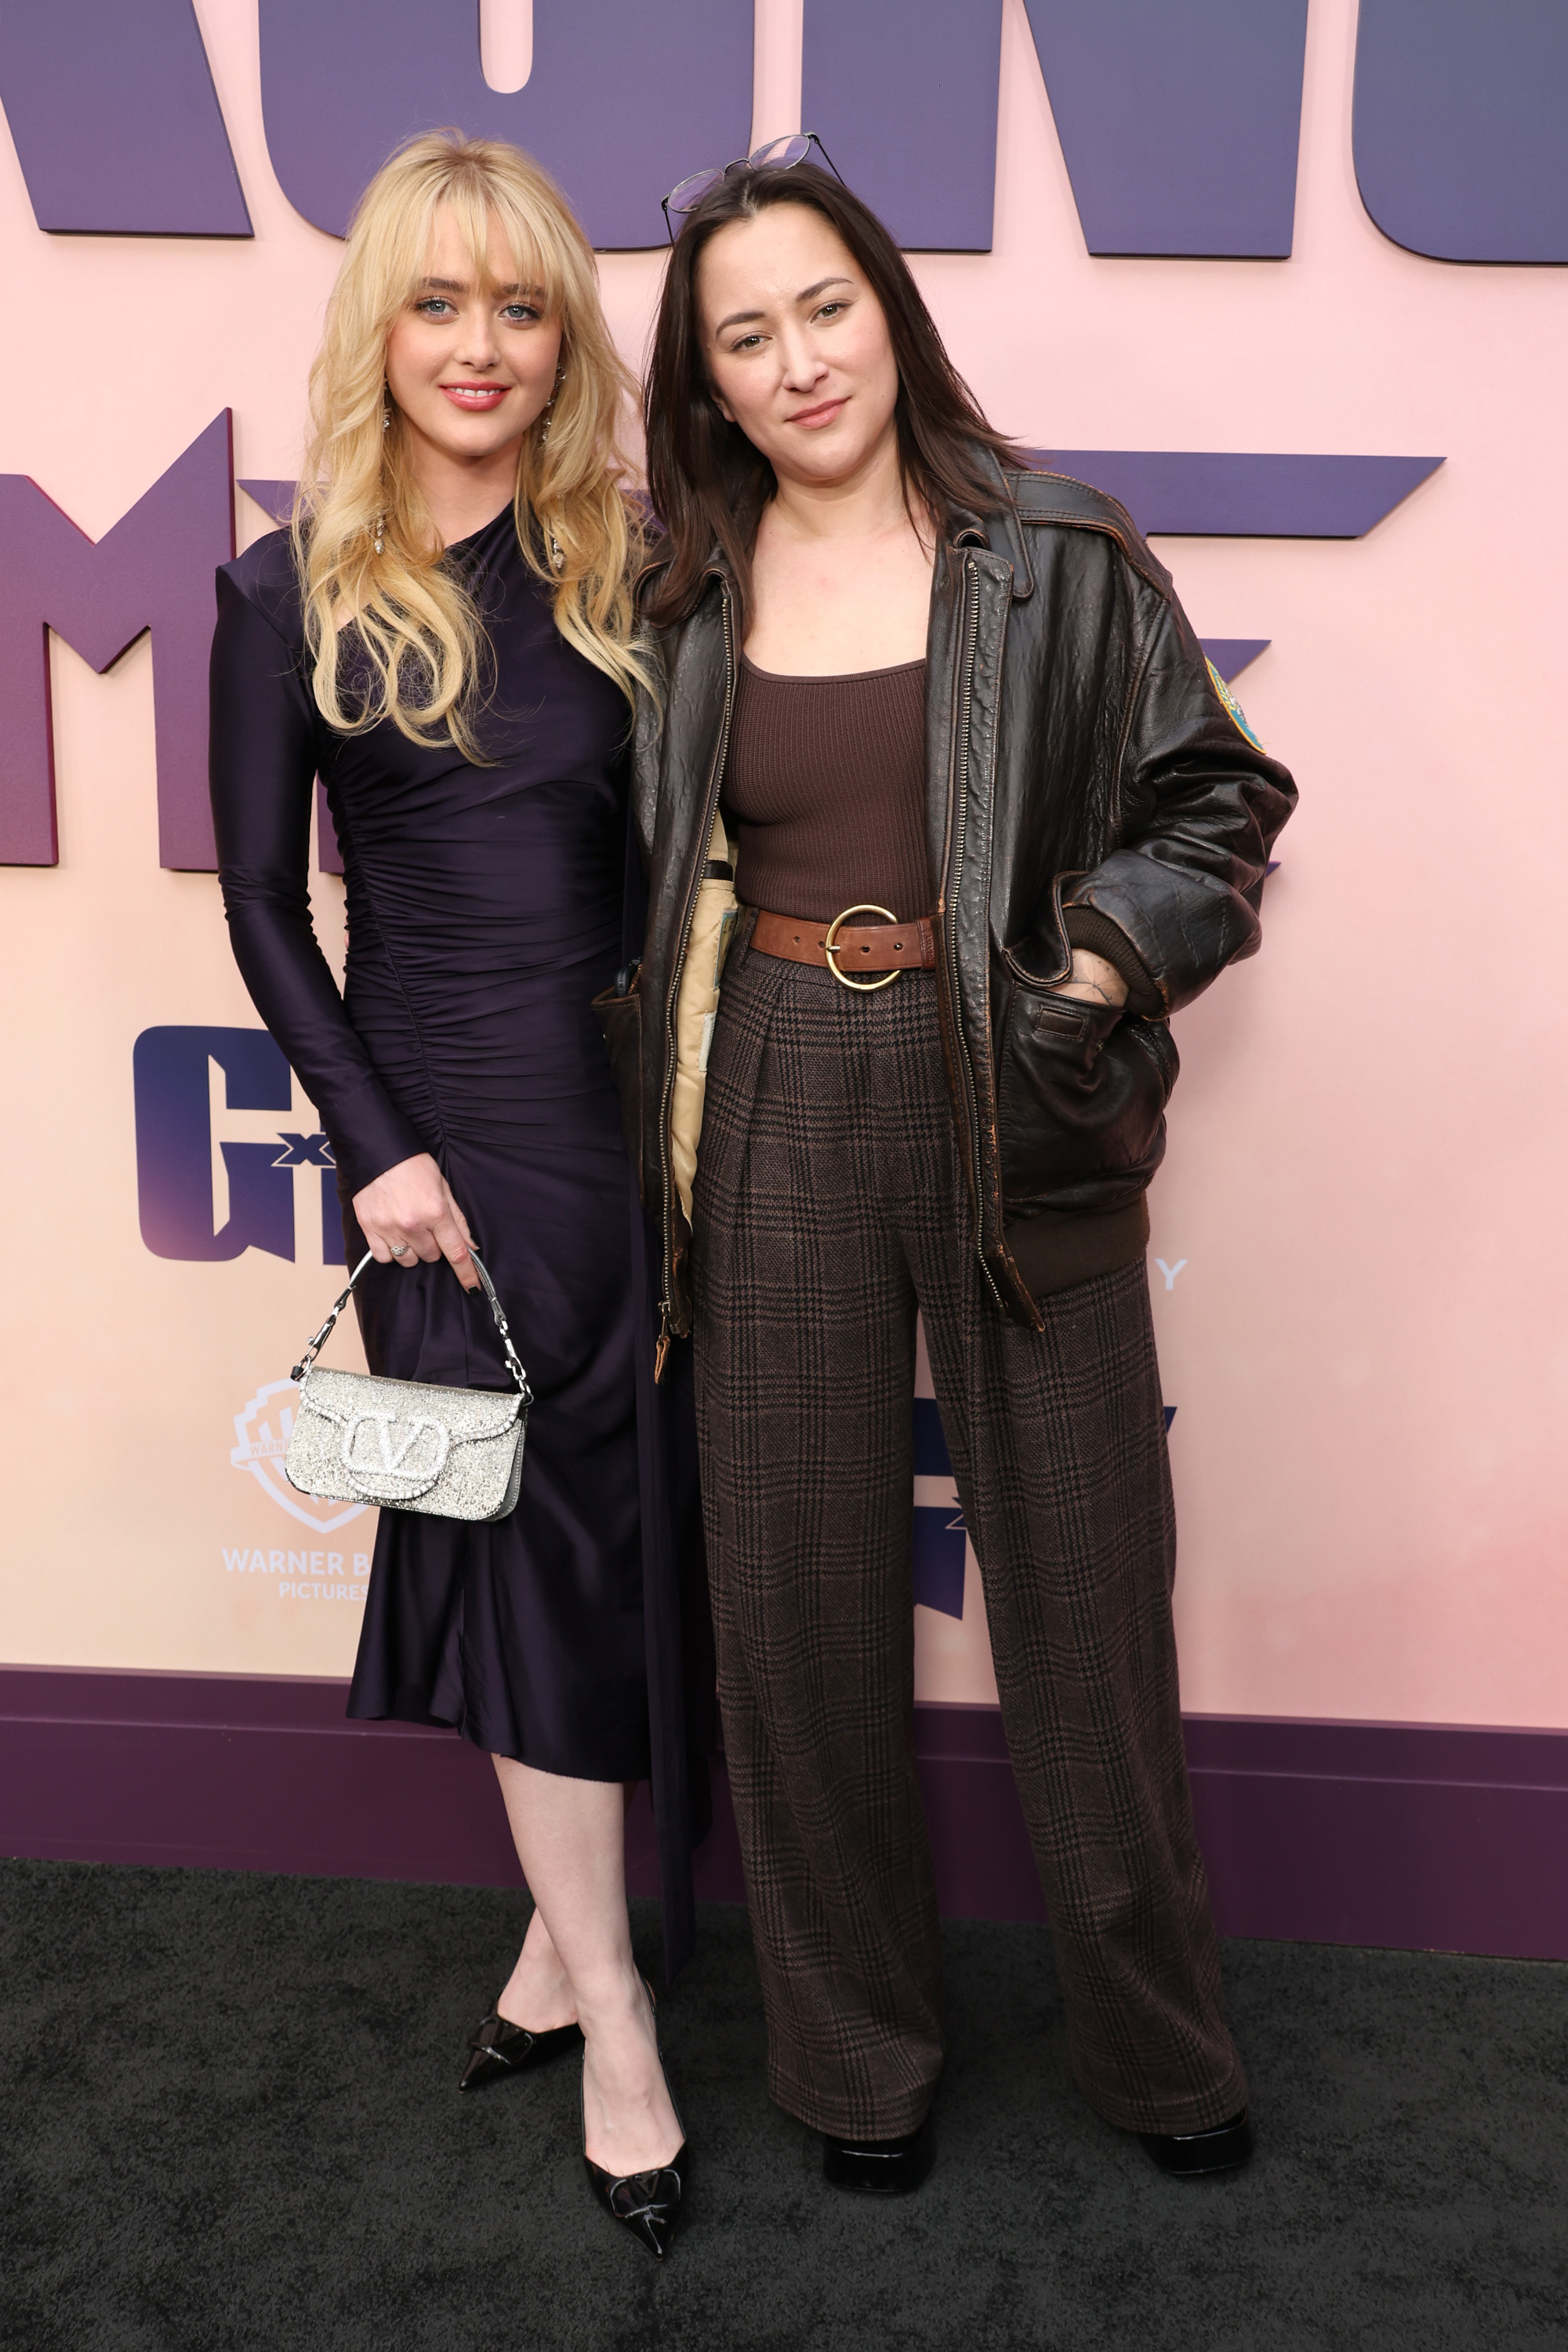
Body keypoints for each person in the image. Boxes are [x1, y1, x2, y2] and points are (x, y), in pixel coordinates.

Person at [612, 150, 1296, 2196]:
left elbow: (1218, 795)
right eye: (745, 335)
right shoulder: (680, 594)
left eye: (824, 307)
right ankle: (855, 2067)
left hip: (1022, 1066)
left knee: (1087, 1603)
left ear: (888, 308)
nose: (798, 360)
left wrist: (1090, 961)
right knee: (801, 1609)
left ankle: (1167, 2059)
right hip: (775, 1087)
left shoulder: (1057, 549)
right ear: (708, 383)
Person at [209, 132, 699, 2258]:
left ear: (558, 334)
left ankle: (539, 1954)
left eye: (521, 307)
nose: (483, 347)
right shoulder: (283, 585)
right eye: (440, 303)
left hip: (626, 1141)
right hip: (440, 1152)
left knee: (605, 1551)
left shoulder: (632, 559)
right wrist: (375, 1147)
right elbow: (254, 902)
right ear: (379, 328)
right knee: (532, 1553)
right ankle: (616, 2018)